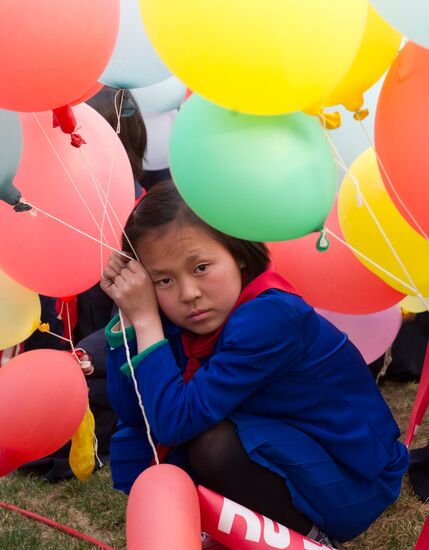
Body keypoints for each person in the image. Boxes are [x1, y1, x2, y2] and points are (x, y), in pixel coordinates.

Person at [101, 180, 408, 546]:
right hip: (285, 448)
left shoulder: (269, 316)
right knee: (181, 435)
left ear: (239, 253)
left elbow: (174, 422)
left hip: (351, 477)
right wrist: (128, 318)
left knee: (210, 442)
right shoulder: (185, 312)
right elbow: (137, 414)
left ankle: (311, 538)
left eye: (200, 267)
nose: (189, 294)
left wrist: (148, 323)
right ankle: (240, 522)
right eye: (164, 280)